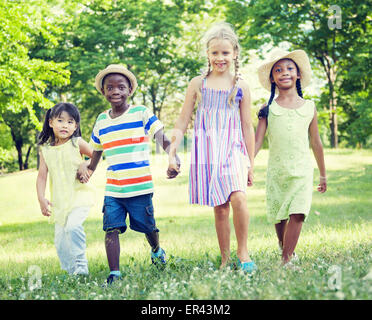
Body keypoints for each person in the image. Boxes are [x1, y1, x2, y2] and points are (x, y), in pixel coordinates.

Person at [167, 23, 257, 273]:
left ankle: (243, 251)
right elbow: (183, 119)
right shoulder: (198, 84)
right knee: (220, 207)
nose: (220, 58)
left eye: (225, 53)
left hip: (233, 149)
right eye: (215, 53)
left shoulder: (241, 86)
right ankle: (226, 257)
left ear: (235, 54)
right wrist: (172, 153)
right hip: (207, 150)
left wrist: (250, 163)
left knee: (238, 196)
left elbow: (247, 126)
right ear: (208, 54)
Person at [79, 64, 180, 285]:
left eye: (121, 87)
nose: (115, 91)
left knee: (148, 227)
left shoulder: (140, 112)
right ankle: (114, 272)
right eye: (110, 87)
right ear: (104, 92)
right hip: (114, 189)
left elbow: (160, 136)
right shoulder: (101, 120)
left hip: (139, 186)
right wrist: (87, 169)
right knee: (110, 228)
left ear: (129, 90)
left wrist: (173, 156)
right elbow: (97, 151)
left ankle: (156, 250)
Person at [255, 49, 327, 266]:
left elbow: (316, 142)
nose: (284, 72)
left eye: (289, 68)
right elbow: (257, 142)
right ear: (272, 78)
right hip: (277, 171)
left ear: (298, 75)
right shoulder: (268, 109)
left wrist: (323, 175)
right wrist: (247, 164)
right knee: (280, 216)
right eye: (278, 70)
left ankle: (286, 260)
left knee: (298, 212)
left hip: (302, 171)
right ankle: (284, 246)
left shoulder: (309, 107)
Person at [36, 102, 94, 275]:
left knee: (73, 227)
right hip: (60, 202)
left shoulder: (77, 143)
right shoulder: (45, 150)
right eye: (60, 120)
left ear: (75, 126)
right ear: (51, 122)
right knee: (60, 241)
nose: (65, 125)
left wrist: (85, 164)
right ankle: (71, 271)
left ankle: (81, 265)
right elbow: (42, 176)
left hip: (80, 196)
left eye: (70, 122)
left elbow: (97, 156)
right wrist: (41, 198)